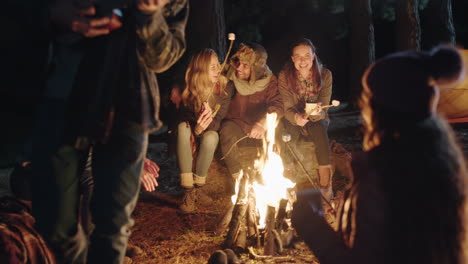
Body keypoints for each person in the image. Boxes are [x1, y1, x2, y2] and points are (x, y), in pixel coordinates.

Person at [31, 1, 188, 263]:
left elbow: (163, 58)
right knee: (54, 223)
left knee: (112, 225)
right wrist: (53, 13)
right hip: (66, 96)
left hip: (130, 103)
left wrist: (149, 15)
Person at [292, 45, 468, 264]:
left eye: (367, 100)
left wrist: (309, 223)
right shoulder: (445, 164)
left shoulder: (380, 178)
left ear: (377, 109)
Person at [176, 49, 233, 212]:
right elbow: (182, 116)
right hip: (190, 131)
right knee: (182, 128)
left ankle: (198, 188)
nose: (218, 70)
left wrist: (203, 127)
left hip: (208, 131)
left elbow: (219, 120)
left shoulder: (225, 87)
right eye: (212, 67)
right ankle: (188, 191)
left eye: (218, 65)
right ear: (201, 69)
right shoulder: (189, 86)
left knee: (212, 137)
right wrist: (197, 128)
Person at [277, 38, 333, 200]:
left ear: (313, 56)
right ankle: (288, 176)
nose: (303, 61)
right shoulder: (284, 76)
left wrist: (317, 112)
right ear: (293, 59)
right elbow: (287, 107)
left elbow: (325, 105)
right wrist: (296, 117)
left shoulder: (325, 75)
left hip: (316, 118)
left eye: (306, 56)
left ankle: (325, 180)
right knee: (286, 133)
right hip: (293, 117)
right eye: (298, 56)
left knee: (318, 128)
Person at [219, 43, 283, 184]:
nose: (238, 68)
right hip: (237, 126)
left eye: (245, 65)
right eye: (238, 62)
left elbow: (277, 105)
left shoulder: (269, 81)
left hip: (259, 130)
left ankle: (274, 177)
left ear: (255, 68)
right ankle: (238, 179)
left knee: (280, 130)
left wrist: (262, 124)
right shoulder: (229, 76)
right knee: (226, 130)